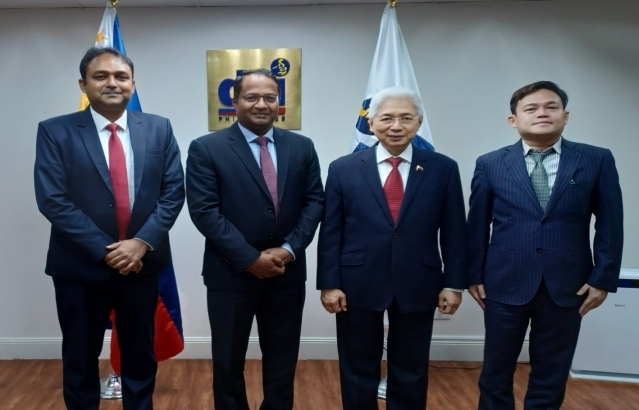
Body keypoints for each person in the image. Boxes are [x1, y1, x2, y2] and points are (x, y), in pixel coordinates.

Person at [34, 47, 185, 410]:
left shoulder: (159, 128)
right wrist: (110, 251)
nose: (112, 83)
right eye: (101, 76)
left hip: (141, 265)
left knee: (140, 357)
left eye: (121, 76)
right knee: (80, 359)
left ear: (133, 83)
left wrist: (141, 243)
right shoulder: (55, 131)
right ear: (83, 84)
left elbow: (173, 192)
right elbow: (53, 199)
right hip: (79, 267)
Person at [467, 81, 624, 410]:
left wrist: (602, 278)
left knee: (551, 372)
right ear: (513, 120)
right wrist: (473, 275)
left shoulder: (596, 159)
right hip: (503, 283)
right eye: (531, 108)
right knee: (496, 370)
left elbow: (611, 222)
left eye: (551, 107)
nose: (542, 113)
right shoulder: (490, 163)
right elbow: (477, 225)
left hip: (568, 284)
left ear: (565, 116)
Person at [317, 86, 469, 410]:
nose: (396, 126)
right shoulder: (343, 168)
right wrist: (329, 284)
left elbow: (455, 231)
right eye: (387, 118)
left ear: (419, 122)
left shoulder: (443, 168)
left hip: (419, 282)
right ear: (371, 123)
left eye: (405, 118)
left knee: (411, 368)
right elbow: (331, 230)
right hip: (356, 283)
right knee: (357, 367)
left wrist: (454, 284)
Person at [185, 68, 324, 410]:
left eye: (269, 97)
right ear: (234, 102)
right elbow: (205, 211)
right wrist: (250, 258)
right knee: (228, 360)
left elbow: (314, 202)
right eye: (251, 97)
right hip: (230, 274)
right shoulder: (207, 148)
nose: (261, 104)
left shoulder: (302, 147)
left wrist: (289, 249)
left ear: (279, 102)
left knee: (283, 358)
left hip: (286, 273)